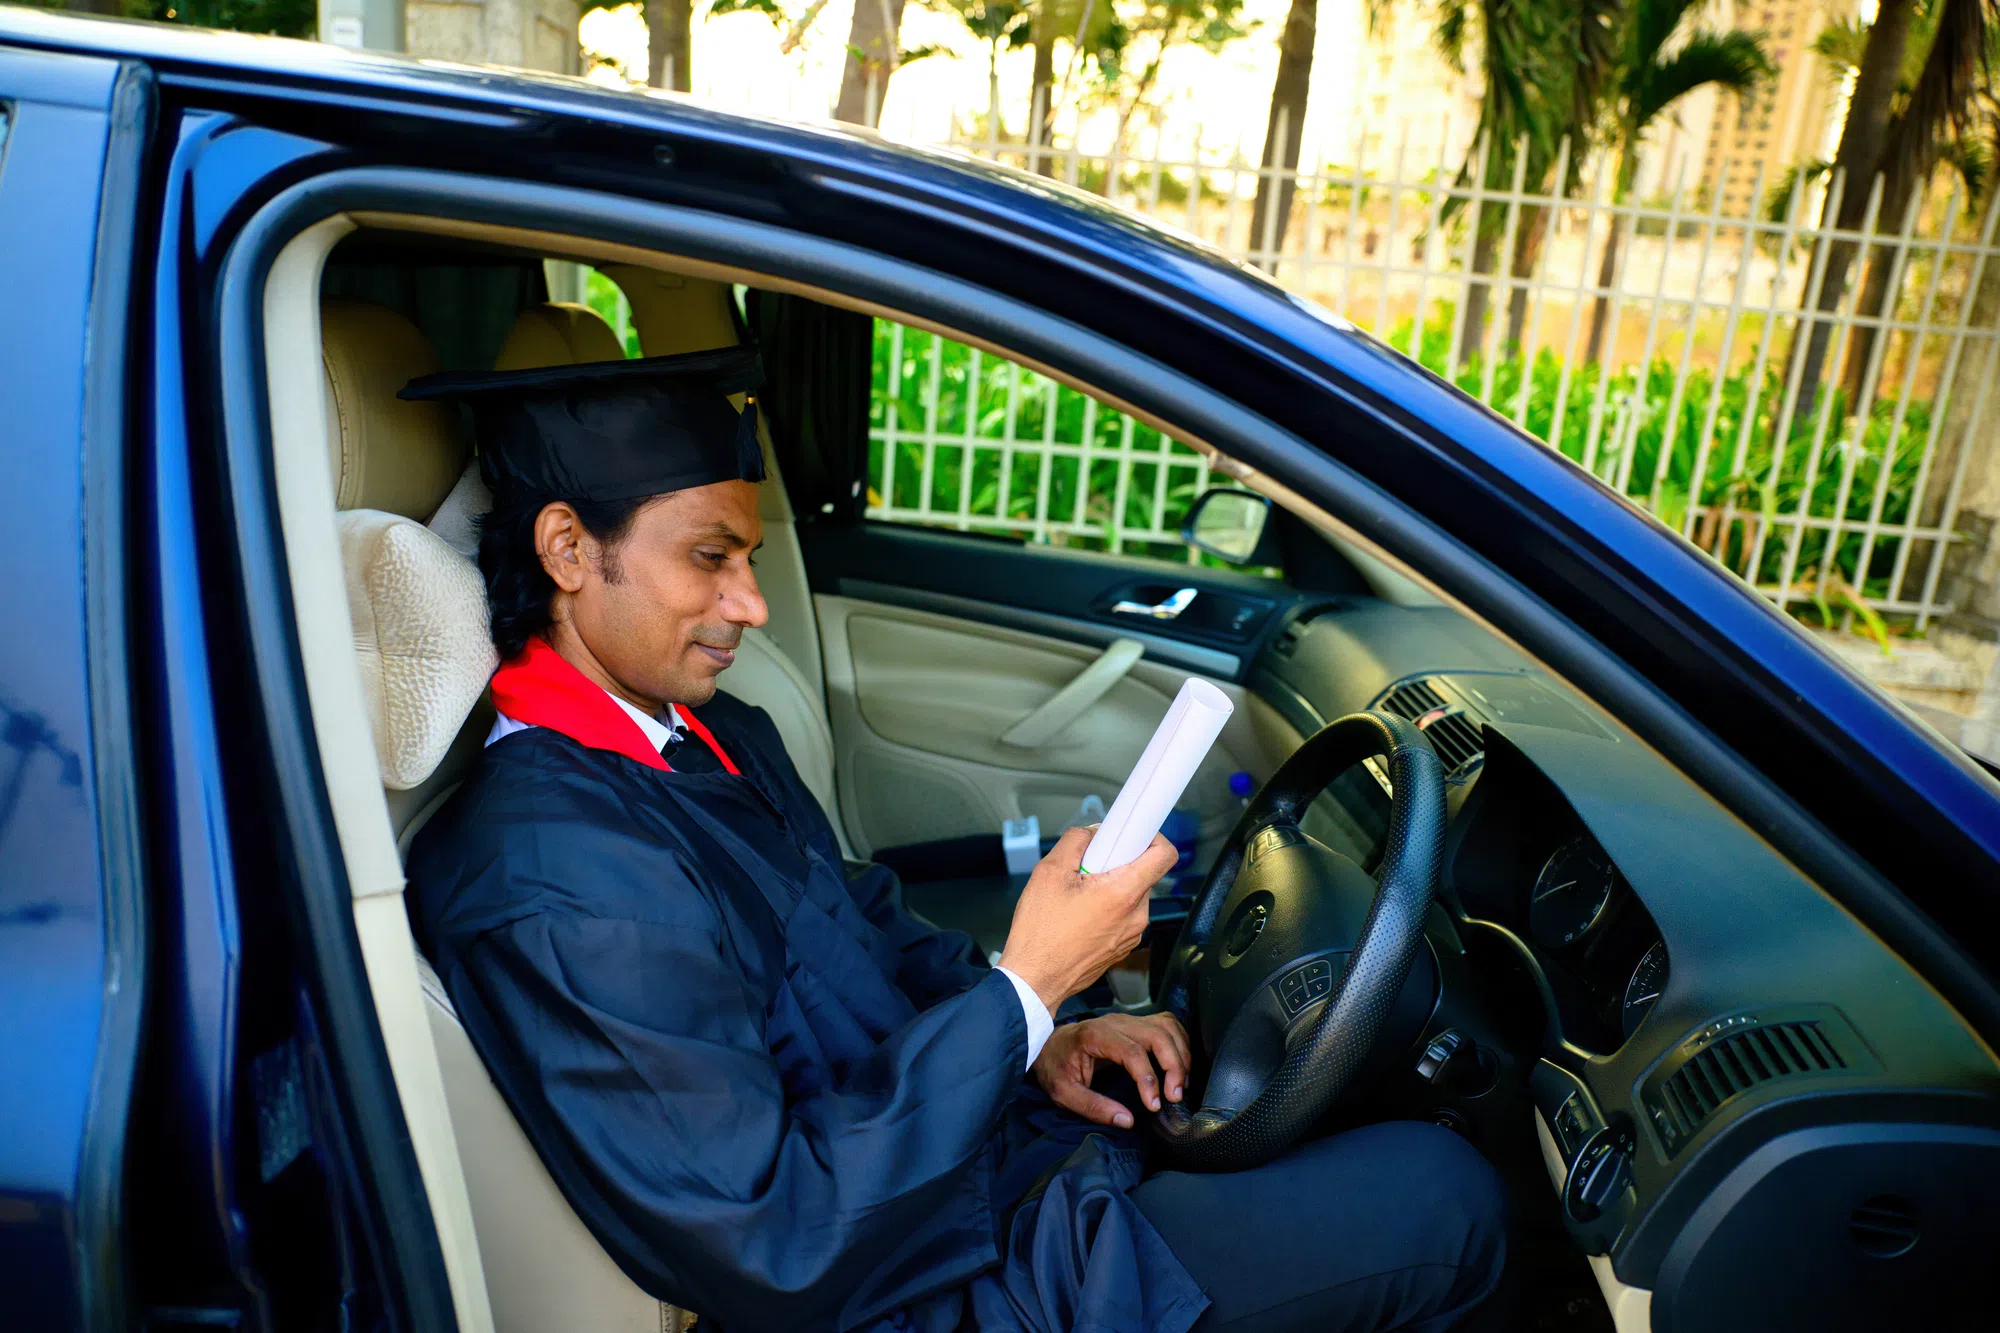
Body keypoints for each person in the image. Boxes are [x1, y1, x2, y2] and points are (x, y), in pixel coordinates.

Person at [402, 346, 1505, 1333]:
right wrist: (1022, 991)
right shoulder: (555, 878)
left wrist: (1043, 1036)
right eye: (708, 557)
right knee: (1445, 1199)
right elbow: (774, 1233)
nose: (751, 602)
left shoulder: (694, 731)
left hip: (976, 1176)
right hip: (927, 1285)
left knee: (1341, 1103)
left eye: (748, 556)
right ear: (565, 549)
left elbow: (864, 926)